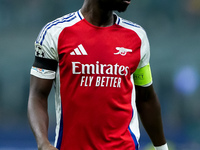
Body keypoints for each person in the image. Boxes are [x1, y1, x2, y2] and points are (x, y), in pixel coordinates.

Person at [27, 0, 169, 150]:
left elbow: (146, 97)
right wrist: (43, 143)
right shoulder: (55, 33)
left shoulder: (137, 37)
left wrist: (162, 148)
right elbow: (37, 95)